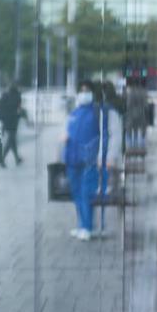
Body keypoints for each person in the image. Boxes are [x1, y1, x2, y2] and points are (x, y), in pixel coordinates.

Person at [63, 80, 112, 241]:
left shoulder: (99, 111)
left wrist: (102, 156)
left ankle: (88, 227)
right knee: (76, 194)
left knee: (86, 194)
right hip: (72, 159)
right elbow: (68, 134)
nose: (84, 93)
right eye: (81, 90)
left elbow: (105, 135)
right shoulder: (75, 112)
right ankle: (81, 225)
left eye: (87, 90)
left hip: (89, 161)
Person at [0, 83, 28, 167]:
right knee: (11, 140)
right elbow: (19, 109)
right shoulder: (17, 96)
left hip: (6, 120)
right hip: (13, 121)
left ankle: (17, 159)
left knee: (13, 140)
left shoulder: (5, 96)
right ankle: (1, 159)